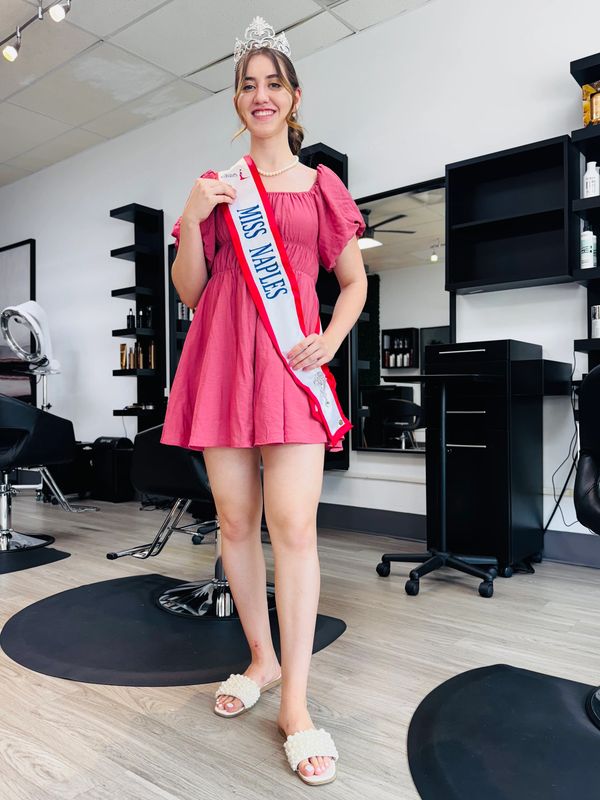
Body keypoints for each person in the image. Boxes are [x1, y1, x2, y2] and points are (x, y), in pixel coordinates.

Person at [160, 16, 367, 786]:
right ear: (237, 102)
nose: (260, 95)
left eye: (273, 83)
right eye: (248, 85)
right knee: (237, 523)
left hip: (289, 365)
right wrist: (189, 216)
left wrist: (334, 340)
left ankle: (297, 705)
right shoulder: (220, 188)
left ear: (295, 97)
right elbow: (190, 291)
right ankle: (261, 659)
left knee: (295, 527)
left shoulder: (321, 187)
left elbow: (354, 282)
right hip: (219, 362)